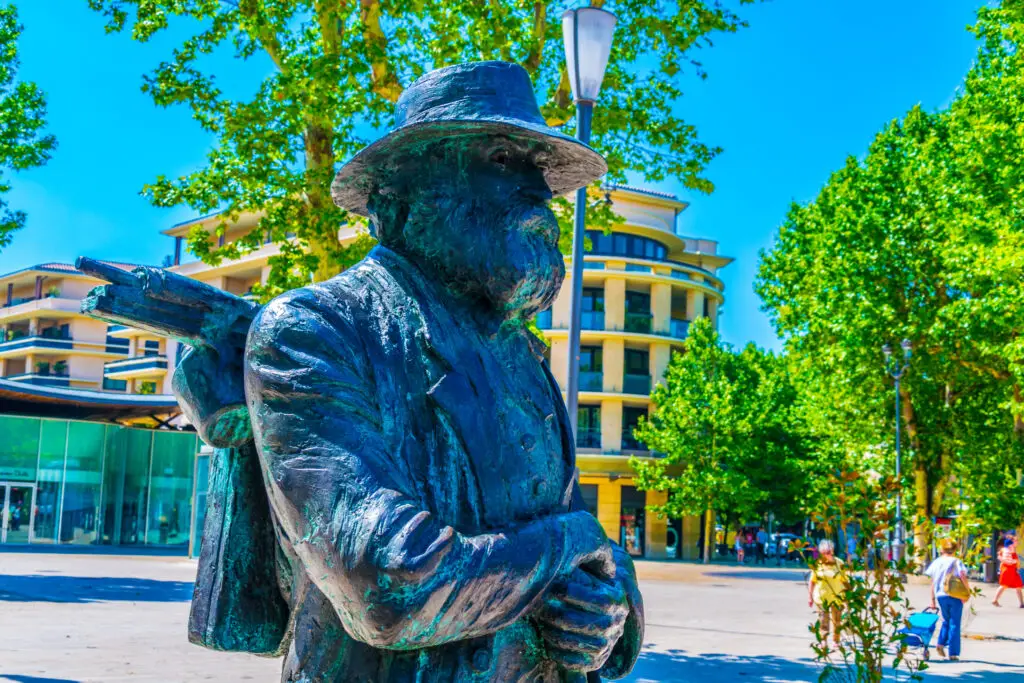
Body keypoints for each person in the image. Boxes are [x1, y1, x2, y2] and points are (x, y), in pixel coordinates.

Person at [180, 62, 643, 681]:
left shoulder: (525, 358)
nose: (539, 193)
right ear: (402, 195)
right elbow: (389, 584)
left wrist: (608, 610)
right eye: (503, 158)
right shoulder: (316, 330)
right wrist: (568, 545)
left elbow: (585, 547)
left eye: (542, 173)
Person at [925, 538, 971, 661]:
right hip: (955, 595)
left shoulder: (936, 562)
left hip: (940, 595)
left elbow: (933, 581)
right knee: (955, 623)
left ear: (942, 549)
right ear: (955, 549)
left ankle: (940, 643)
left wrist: (932, 600)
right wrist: (967, 592)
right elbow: (963, 576)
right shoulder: (957, 562)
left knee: (946, 620)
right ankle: (953, 652)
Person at [808, 540, 847, 649]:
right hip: (822, 597)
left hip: (837, 597)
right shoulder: (818, 564)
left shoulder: (839, 563)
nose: (826, 555)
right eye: (824, 553)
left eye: (828, 552)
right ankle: (823, 641)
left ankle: (836, 640)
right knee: (823, 621)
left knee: (837, 621)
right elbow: (812, 581)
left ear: (833, 551)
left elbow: (845, 581)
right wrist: (810, 596)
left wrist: (847, 597)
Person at [993, 537, 1023, 608]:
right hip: (1008, 570)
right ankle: (995, 600)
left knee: (1018, 586)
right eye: (1015, 540)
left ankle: (1022, 603)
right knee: (1004, 585)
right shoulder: (1007, 550)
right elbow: (1004, 560)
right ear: (1011, 542)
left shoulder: (1009, 550)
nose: (1017, 542)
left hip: (1014, 570)